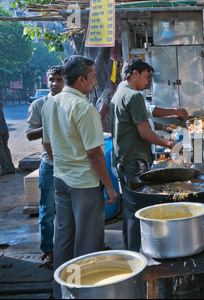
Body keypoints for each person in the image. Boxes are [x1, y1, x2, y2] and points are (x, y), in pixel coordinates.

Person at [42, 55, 118, 281]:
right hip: (84, 183)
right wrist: (110, 187)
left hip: (61, 179)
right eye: (93, 77)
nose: (96, 82)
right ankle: (83, 289)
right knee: (88, 241)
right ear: (82, 80)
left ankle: (63, 290)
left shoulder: (50, 104)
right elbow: (94, 154)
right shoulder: (84, 108)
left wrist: (62, 166)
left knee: (64, 238)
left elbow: (47, 143)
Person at [110, 58, 177, 252]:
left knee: (129, 208)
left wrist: (163, 128)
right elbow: (144, 132)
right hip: (135, 160)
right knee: (137, 209)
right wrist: (169, 144)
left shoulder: (118, 94)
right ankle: (137, 254)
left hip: (123, 159)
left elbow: (140, 123)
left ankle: (130, 250)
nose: (148, 82)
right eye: (146, 77)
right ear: (135, 73)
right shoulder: (134, 96)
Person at [26, 66, 64, 268]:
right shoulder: (39, 105)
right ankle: (48, 250)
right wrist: (47, 124)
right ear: (46, 81)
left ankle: (70, 247)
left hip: (69, 164)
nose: (55, 83)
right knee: (47, 210)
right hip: (49, 165)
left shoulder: (70, 103)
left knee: (69, 210)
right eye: (52, 79)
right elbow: (30, 134)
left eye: (59, 79)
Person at [0, 101, 15, 176]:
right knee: (5, 148)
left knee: (1, 149)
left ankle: (5, 168)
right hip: (4, 128)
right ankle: (10, 168)